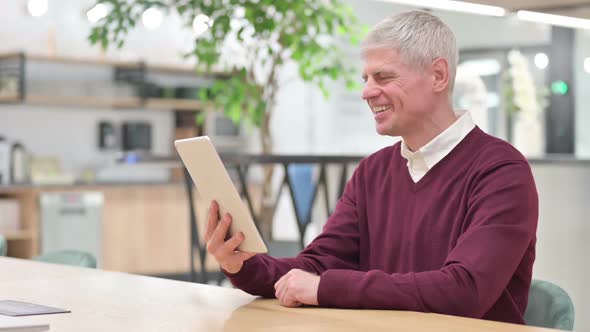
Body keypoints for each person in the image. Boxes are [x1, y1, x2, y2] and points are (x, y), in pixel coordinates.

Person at [204, 10, 538, 325]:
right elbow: (316, 266)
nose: (366, 92)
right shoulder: (372, 172)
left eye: (383, 76)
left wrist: (325, 288)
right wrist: (245, 265)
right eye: (365, 78)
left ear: (438, 75)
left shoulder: (502, 172)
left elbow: (465, 291)